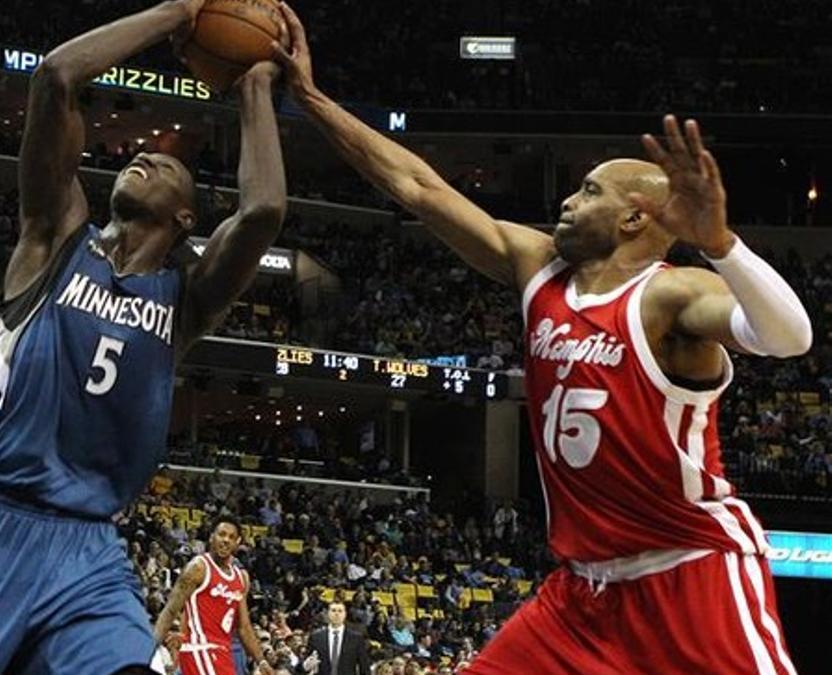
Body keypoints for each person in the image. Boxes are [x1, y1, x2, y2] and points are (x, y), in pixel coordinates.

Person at [272, 7, 808, 673]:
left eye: (588, 191)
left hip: (690, 571)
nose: (567, 202)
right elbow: (419, 186)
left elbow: (789, 337)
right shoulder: (537, 269)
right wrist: (312, 99)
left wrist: (723, 246)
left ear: (635, 216)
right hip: (580, 594)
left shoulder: (668, 296)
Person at [0, 0, 288, 671]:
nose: (146, 153)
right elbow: (56, 76)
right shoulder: (55, 237)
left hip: (85, 550)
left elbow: (263, 210)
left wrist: (255, 81)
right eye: (142, 154)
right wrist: (177, 12)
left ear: (183, 216)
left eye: (165, 166)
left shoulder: (185, 298)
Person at [154, 522, 273, 675]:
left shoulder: (241, 578)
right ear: (211, 537)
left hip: (223, 652)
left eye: (231, 537)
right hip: (200, 649)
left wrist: (261, 661)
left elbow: (244, 627)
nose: (226, 540)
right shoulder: (198, 568)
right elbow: (170, 610)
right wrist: (150, 647)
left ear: (237, 543)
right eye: (221, 534)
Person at [303, 603, 370, 675]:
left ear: (345, 614)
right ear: (328, 613)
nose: (337, 614)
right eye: (333, 610)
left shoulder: (356, 639)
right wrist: (306, 665)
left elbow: (364, 667)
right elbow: (305, 663)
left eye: (340, 611)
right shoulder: (316, 637)